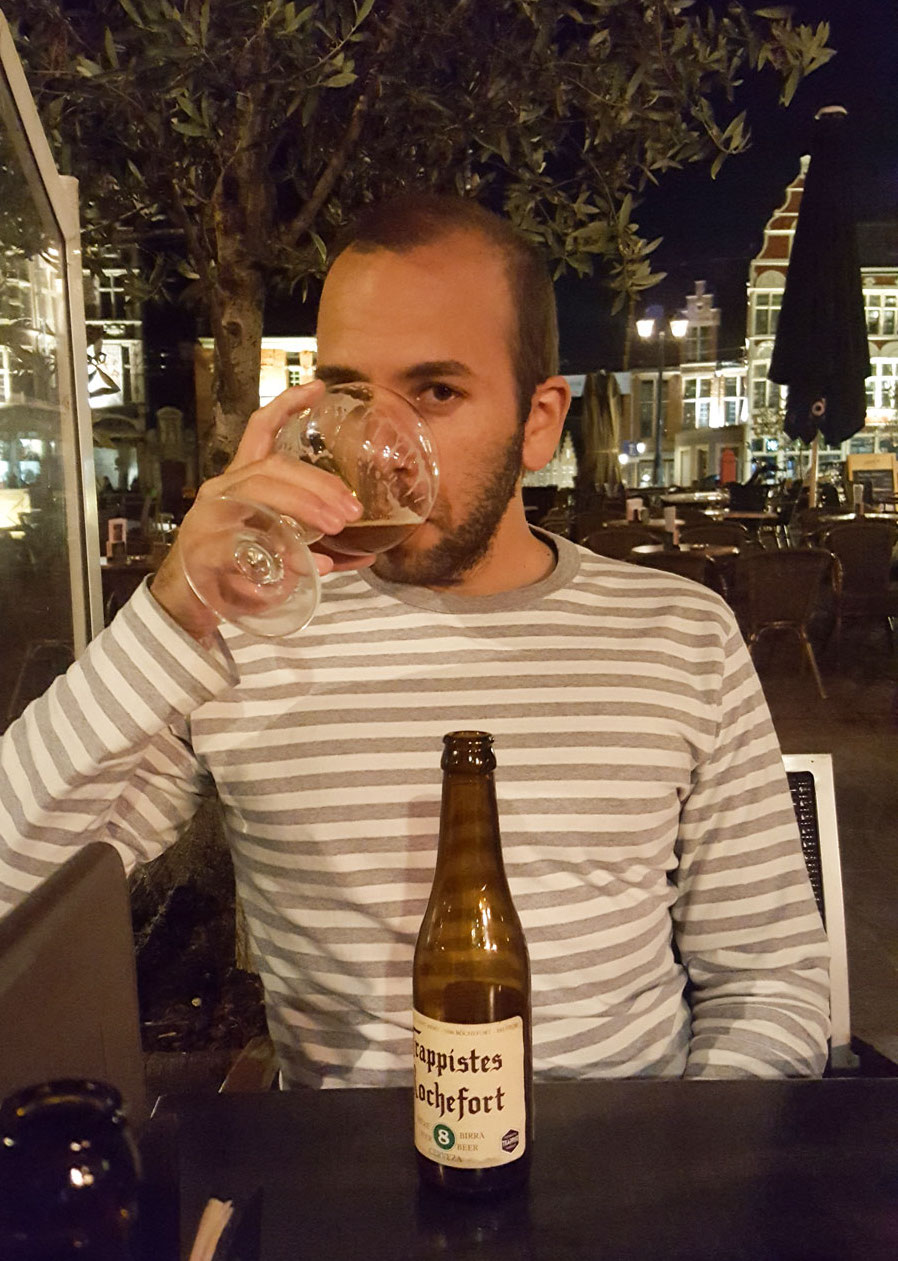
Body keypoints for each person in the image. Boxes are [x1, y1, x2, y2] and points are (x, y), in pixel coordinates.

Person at [0, 194, 829, 1088]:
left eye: (436, 391)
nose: (381, 448)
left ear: (541, 421)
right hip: (351, 1192)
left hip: (629, 1186)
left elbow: (770, 981)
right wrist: (174, 607)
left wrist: (681, 1190)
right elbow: (13, 884)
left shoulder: (679, 634)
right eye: (353, 395)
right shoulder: (246, 639)